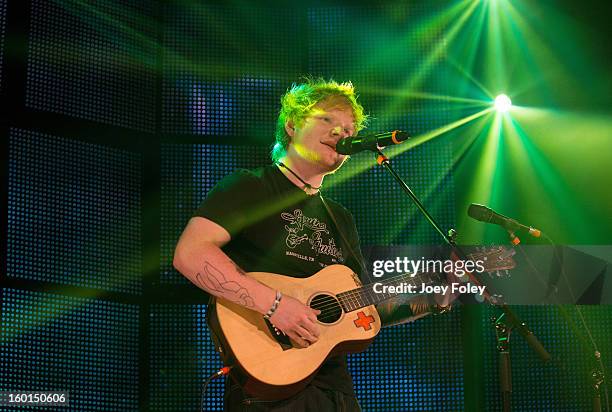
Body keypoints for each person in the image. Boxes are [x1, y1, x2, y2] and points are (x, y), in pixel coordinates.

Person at [173, 78, 444, 411]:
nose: (342, 133)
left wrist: (427, 299)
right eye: (328, 119)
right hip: (269, 388)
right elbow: (190, 253)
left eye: (349, 128)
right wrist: (275, 306)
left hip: (336, 392)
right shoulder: (251, 186)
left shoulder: (341, 219)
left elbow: (360, 305)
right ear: (292, 125)